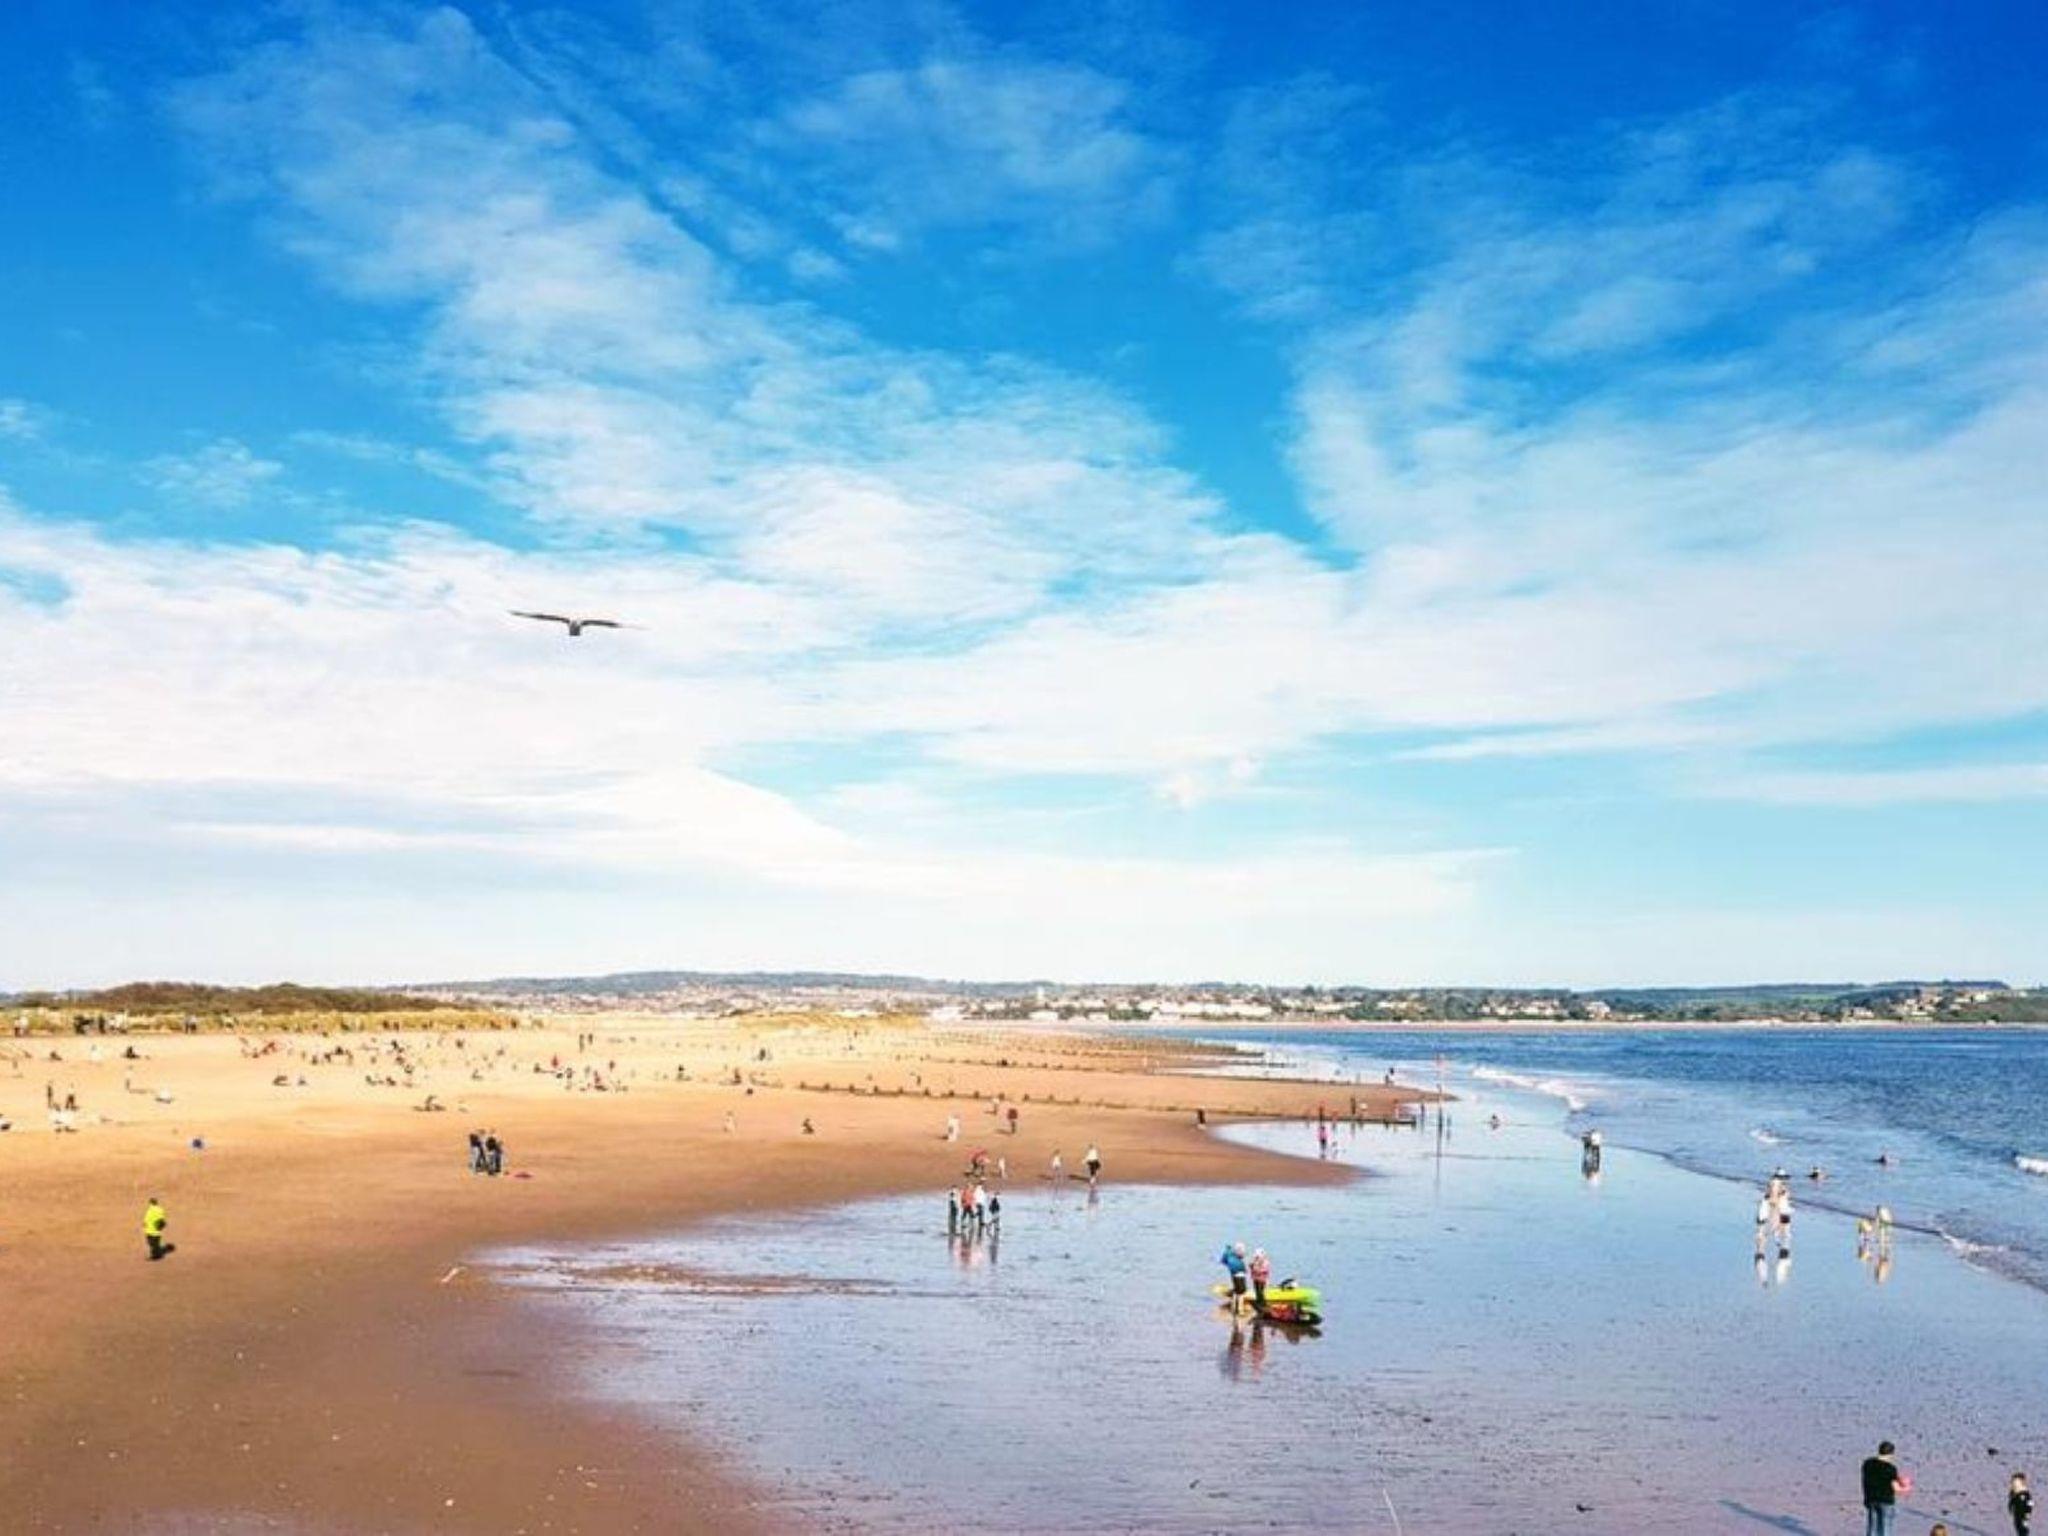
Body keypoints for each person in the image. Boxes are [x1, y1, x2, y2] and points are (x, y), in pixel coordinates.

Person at [1862, 1440, 1906, 1535]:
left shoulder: (1867, 1464)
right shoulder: (1890, 1468)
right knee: (1885, 1529)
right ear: (1891, 1454)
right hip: (1886, 1501)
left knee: (1872, 1529)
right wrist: (1905, 1488)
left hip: (1871, 1499)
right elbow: (1896, 1488)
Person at [1219, 1241, 1249, 1314]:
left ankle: (1233, 1307)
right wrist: (1245, 1270)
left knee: (1236, 1291)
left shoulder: (1230, 1257)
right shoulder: (1237, 1259)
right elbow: (1243, 1267)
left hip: (1234, 1275)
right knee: (1241, 1293)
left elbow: (1224, 1262)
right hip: (1240, 1276)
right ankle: (1240, 1310)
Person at [143, 1197, 169, 1262]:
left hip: (150, 1230)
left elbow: (147, 1219)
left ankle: (155, 1256)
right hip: (157, 1230)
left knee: (152, 1244)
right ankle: (158, 1254)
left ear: (150, 1203)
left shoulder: (150, 1210)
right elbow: (162, 1219)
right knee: (156, 1243)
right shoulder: (160, 1209)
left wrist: (145, 1224)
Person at [1248, 1247, 1271, 1312]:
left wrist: (1256, 1268)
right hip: (1256, 1279)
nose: (1257, 1258)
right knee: (1257, 1291)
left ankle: (1263, 1304)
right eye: (1256, 1257)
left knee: (1261, 1292)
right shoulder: (1255, 1262)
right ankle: (1259, 1302)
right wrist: (1252, 1266)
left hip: (1262, 1279)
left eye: (1258, 1257)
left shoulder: (1265, 1262)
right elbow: (1252, 1267)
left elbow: (1264, 1270)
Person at [2012, 1471, 2033, 1536]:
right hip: (2018, 1512)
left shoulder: (2024, 1493)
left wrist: (2028, 1512)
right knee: (2018, 1525)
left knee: (2022, 1527)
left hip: (2022, 1513)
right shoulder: (2016, 1492)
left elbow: (2029, 1503)